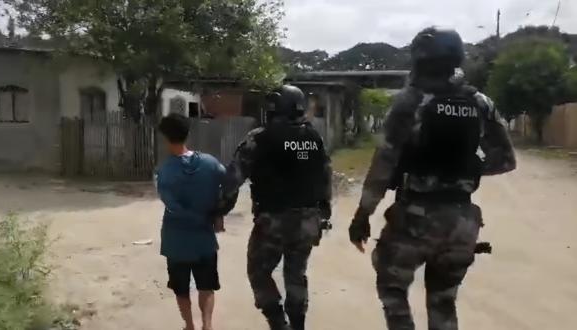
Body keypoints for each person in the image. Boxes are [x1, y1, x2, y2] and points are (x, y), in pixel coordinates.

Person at [348, 27, 517, 330]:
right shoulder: (480, 102)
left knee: (392, 287)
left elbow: (383, 166)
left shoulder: (410, 102)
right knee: (443, 302)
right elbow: (506, 160)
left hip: (415, 220)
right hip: (461, 223)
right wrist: (468, 167)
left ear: (419, 61)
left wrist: (362, 215)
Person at [217, 85, 333, 330]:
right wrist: (324, 212)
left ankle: (278, 323)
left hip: (273, 220)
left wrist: (220, 210)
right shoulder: (314, 137)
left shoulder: (260, 138)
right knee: (296, 274)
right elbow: (325, 177)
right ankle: (298, 325)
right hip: (308, 220)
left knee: (258, 272)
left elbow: (233, 178)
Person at [156, 113, 226, 330]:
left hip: (176, 241)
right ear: (188, 134)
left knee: (181, 288)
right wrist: (217, 214)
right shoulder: (210, 163)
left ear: (166, 138)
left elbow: (172, 206)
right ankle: (207, 325)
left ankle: (189, 326)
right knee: (206, 286)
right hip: (204, 238)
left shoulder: (165, 172)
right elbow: (228, 185)